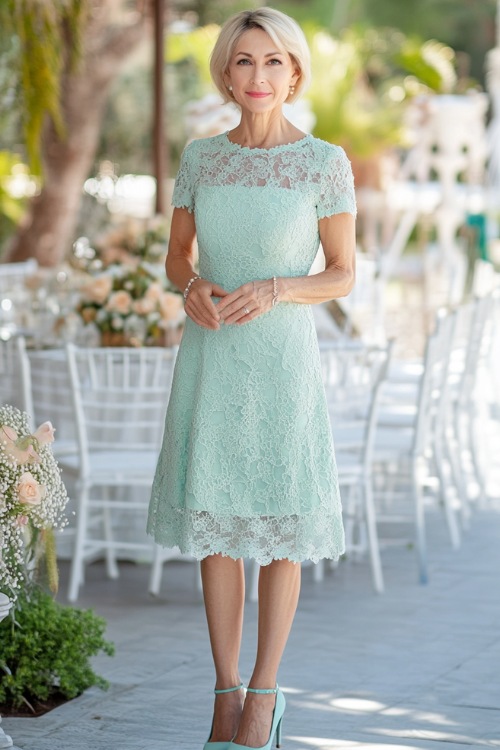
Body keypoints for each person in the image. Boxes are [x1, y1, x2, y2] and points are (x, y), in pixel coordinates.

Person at [147, 7, 356, 750]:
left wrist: (274, 289)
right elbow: (177, 254)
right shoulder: (202, 157)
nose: (258, 76)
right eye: (243, 61)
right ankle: (225, 690)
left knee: (280, 529)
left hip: (281, 360)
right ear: (226, 73)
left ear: (294, 72)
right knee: (218, 531)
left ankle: (265, 694)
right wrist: (191, 284)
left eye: (273, 62)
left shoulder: (324, 161)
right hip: (211, 351)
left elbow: (341, 274)